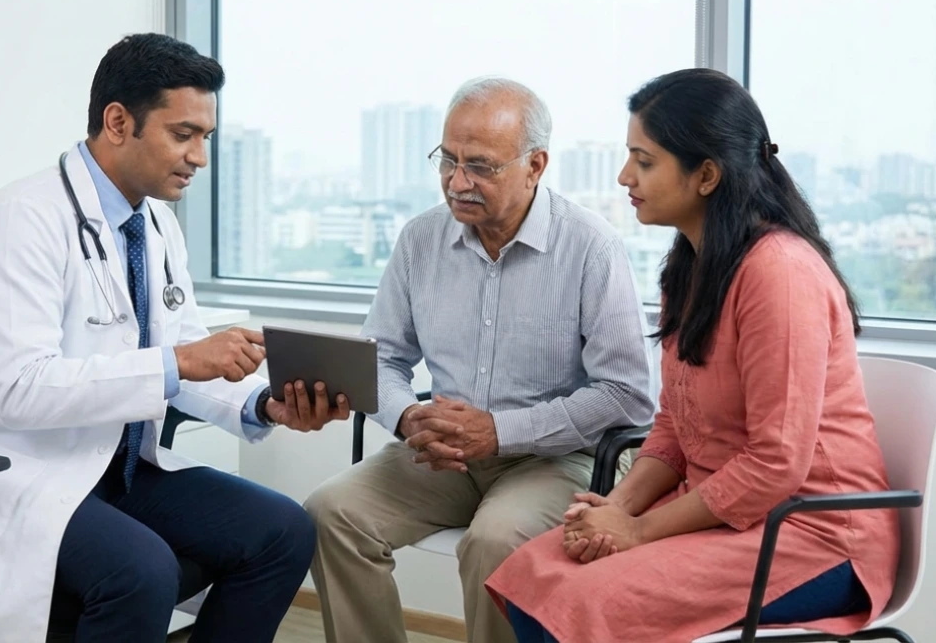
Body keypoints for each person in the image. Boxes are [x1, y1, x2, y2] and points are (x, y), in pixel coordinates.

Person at [0, 33, 350, 643]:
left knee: (283, 530)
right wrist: (180, 361)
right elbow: (22, 391)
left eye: (206, 138)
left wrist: (261, 403)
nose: (199, 157)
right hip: (2, 472)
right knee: (141, 572)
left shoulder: (154, 222)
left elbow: (183, 360)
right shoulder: (20, 220)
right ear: (117, 122)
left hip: (110, 465)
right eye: (183, 134)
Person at [487, 68, 900, 643]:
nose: (625, 176)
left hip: (811, 534)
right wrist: (617, 509)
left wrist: (640, 530)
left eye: (645, 161)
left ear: (706, 174)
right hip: (722, 516)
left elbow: (775, 465)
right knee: (534, 572)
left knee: (583, 600)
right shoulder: (689, 268)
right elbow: (675, 426)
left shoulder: (779, 273)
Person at [304, 77, 655, 643]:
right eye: (447, 160)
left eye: (481, 166)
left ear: (535, 165)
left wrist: (499, 431)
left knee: (495, 539)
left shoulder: (592, 247)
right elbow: (381, 359)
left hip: (558, 459)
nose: (456, 182)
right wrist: (406, 418)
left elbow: (626, 393)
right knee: (328, 514)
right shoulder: (421, 240)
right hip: (448, 455)